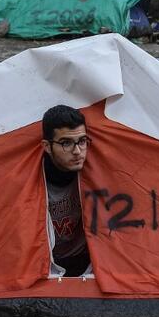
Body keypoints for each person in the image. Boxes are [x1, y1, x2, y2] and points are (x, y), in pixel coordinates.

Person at [41, 104, 92, 276]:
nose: (77, 151)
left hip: (88, 256)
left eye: (82, 141)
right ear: (47, 146)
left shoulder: (95, 173)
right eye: (66, 143)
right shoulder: (34, 178)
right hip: (43, 260)